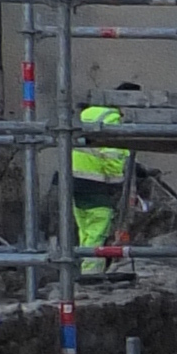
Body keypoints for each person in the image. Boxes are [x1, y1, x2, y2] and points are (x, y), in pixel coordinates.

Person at [70, 92, 135, 265]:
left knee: (86, 231)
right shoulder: (113, 119)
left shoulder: (88, 113)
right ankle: (89, 277)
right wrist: (118, 183)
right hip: (95, 183)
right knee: (97, 231)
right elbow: (112, 156)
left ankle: (81, 271)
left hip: (73, 180)